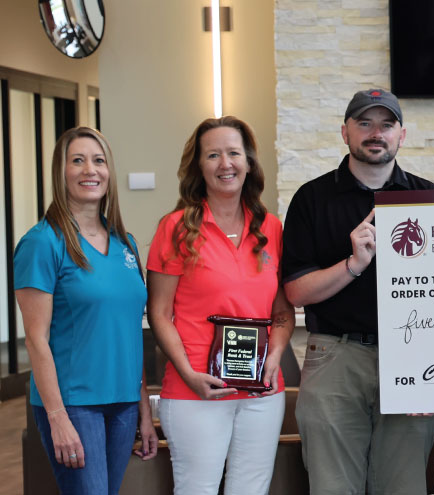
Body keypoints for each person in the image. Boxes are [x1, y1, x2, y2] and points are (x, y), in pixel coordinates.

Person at [281, 89, 434, 494]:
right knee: (333, 487)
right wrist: (352, 265)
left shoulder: (431, 199)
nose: (376, 133)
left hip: (411, 360)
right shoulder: (311, 199)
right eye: (364, 123)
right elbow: (296, 292)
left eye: (386, 124)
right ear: (345, 132)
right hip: (336, 354)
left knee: (403, 488)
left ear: (401, 135)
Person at [146, 116, 295, 494]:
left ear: (248, 162)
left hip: (262, 391)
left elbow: (282, 312)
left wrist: (274, 357)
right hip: (197, 388)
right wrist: (189, 373)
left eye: (233, 153)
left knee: (251, 489)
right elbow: (159, 314)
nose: (225, 164)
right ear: (199, 166)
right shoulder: (176, 228)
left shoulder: (272, 228)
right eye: (213, 155)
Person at [14, 126, 157, 494]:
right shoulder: (42, 243)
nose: (89, 170)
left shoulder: (125, 243)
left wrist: (143, 407)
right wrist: (57, 417)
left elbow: (129, 331)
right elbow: (36, 339)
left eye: (98, 160)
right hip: (75, 404)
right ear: (60, 172)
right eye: (77, 161)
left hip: (123, 402)